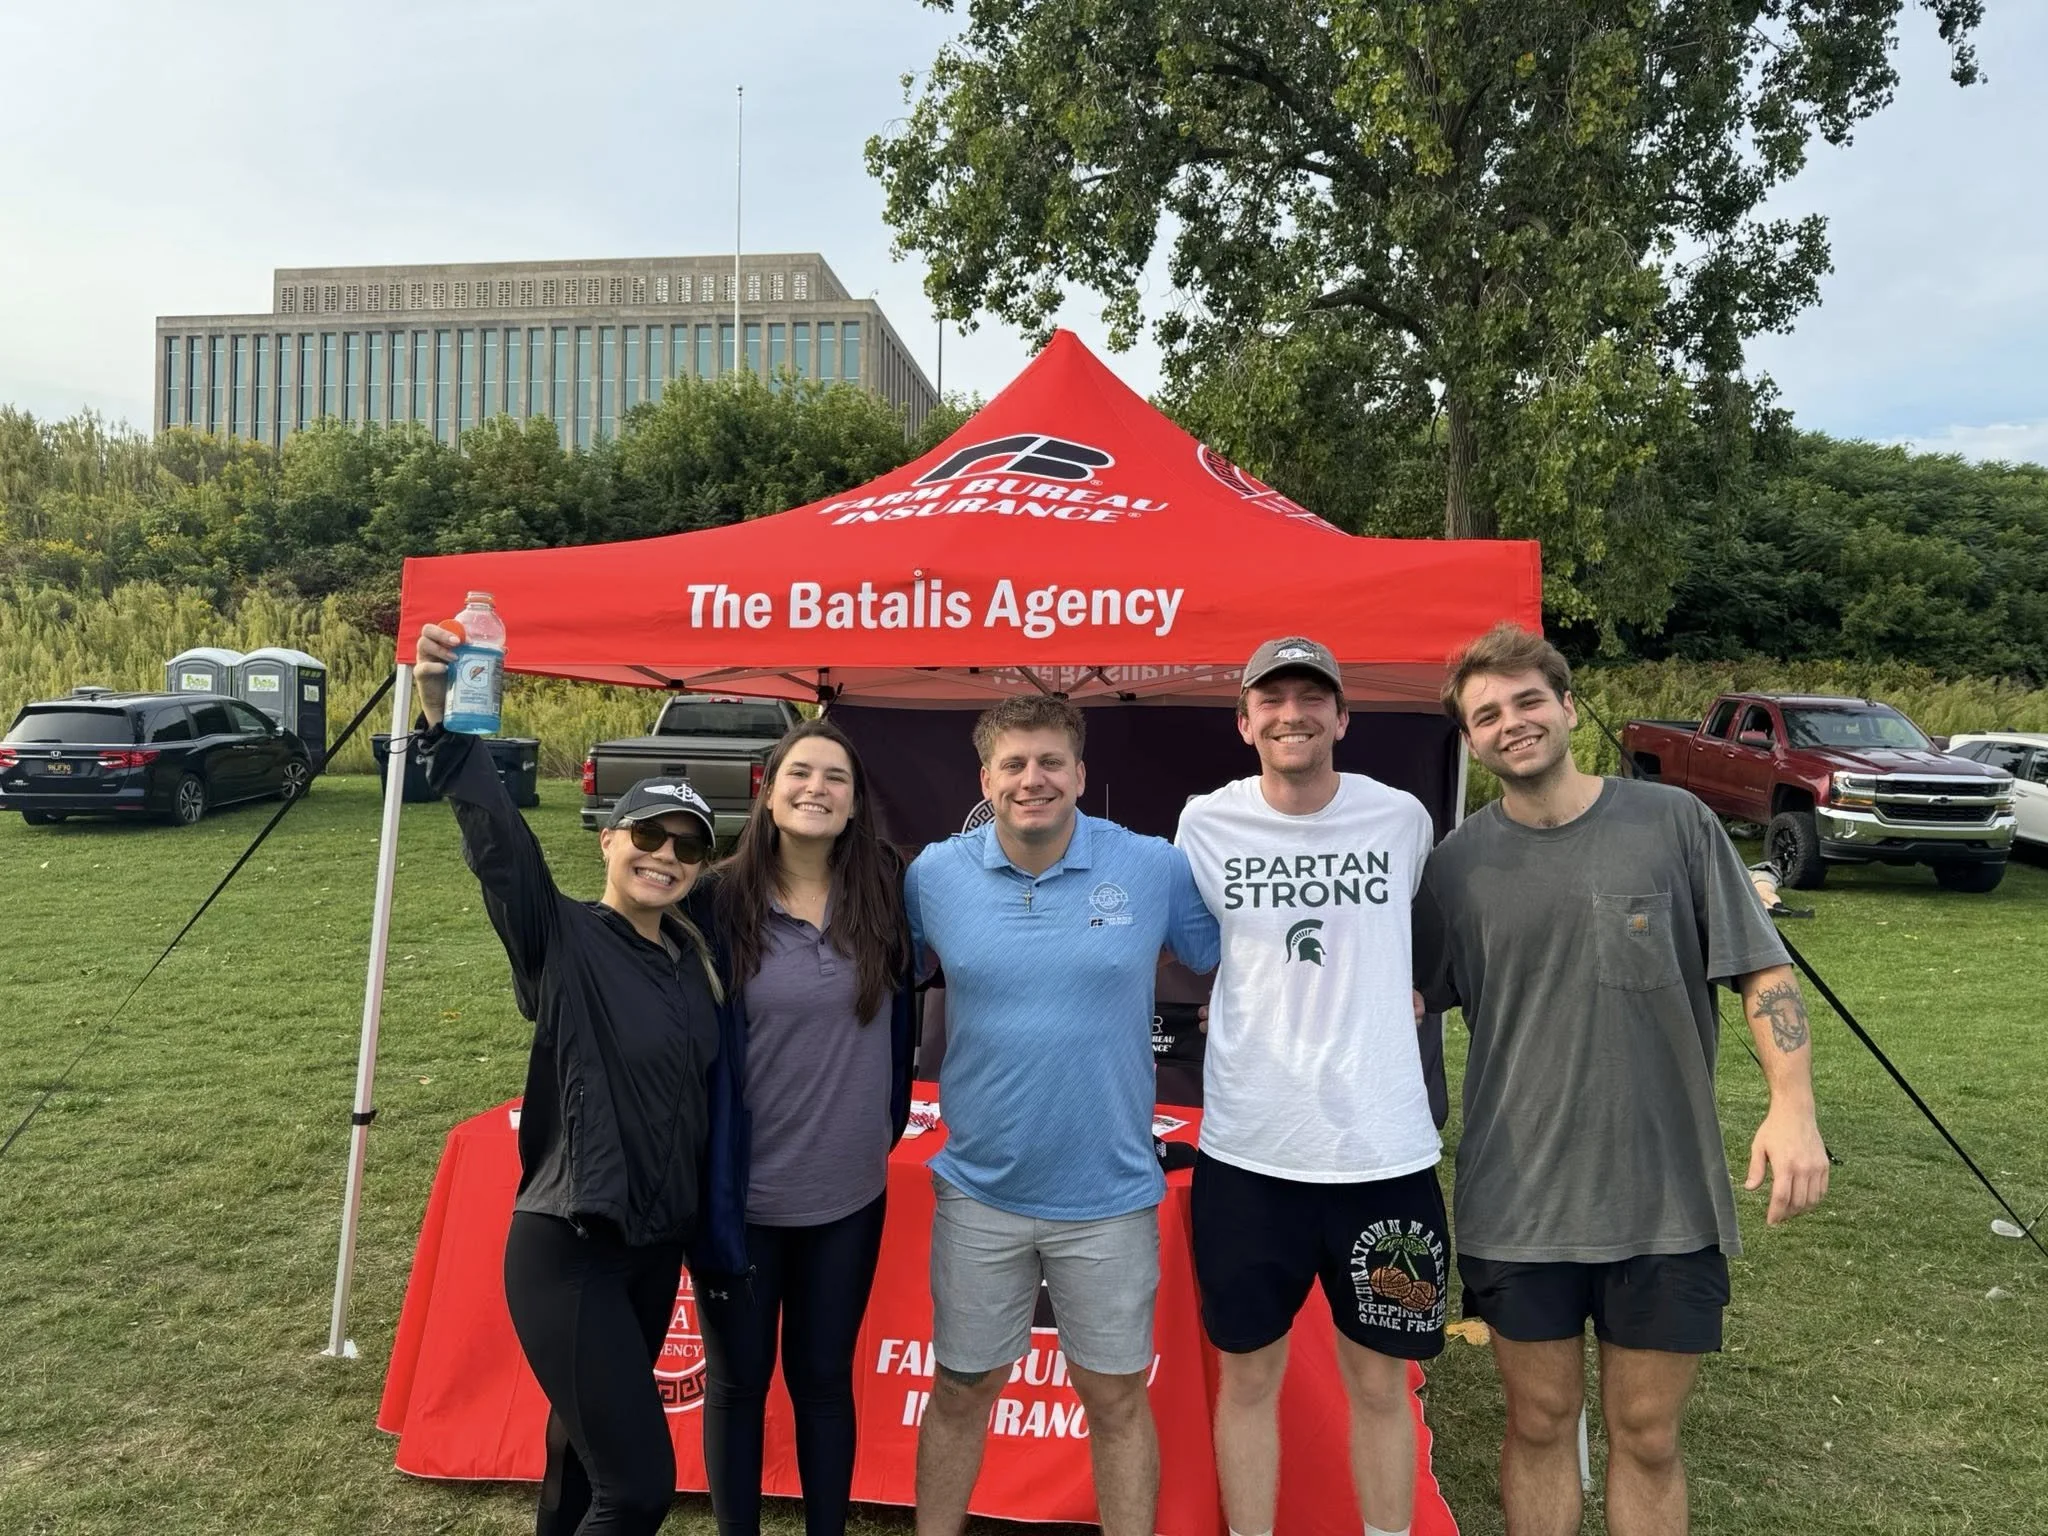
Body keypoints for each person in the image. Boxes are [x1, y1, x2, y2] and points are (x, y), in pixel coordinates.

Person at [1418, 623, 1830, 1536]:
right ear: (1470, 740)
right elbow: (1401, 1004)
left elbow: (1763, 974)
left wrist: (1793, 1109)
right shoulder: (1453, 869)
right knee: (1538, 1423)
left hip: (1665, 1196)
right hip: (1517, 1200)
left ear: (1568, 707)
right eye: (1487, 715)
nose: (1511, 723)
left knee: (1645, 1434)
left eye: (1529, 700)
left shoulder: (1673, 823)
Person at [413, 621, 724, 1536]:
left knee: (582, 1466)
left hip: (653, 1246)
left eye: (687, 845)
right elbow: (500, 844)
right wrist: (449, 725)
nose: (664, 854)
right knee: (639, 1489)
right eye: (647, 835)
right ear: (607, 839)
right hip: (570, 1245)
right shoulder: (563, 938)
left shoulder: (695, 962)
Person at [903, 694, 1218, 1536]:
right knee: (962, 1388)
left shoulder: (1152, 866)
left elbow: (1236, 959)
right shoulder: (934, 876)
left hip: (1111, 1195)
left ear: (1081, 774)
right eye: (1014, 764)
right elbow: (870, 978)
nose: (1032, 779)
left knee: (1114, 1397)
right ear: (986, 779)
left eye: (1050, 762)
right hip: (979, 1190)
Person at [1175, 636, 1447, 1536]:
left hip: (1385, 1154)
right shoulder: (1205, 823)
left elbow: (1424, 936)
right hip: (1251, 1155)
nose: (1293, 713)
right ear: (1245, 721)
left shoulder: (1401, 817)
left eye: (1312, 697)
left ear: (1343, 717)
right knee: (1248, 1376)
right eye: (1273, 699)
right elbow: (1205, 947)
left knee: (1381, 1380)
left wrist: (1407, 988)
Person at [683, 720, 918, 1536]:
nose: (816, 788)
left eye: (836, 779)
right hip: (738, 1202)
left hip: (848, 1194)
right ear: (769, 790)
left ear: (856, 805)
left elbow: (902, 1025)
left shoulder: (886, 891)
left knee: (823, 1381)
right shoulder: (712, 901)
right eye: (800, 773)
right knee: (740, 1382)